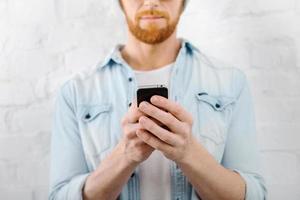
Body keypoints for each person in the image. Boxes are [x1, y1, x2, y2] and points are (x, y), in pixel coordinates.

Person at [48, 0, 267, 199]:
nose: (152, 2)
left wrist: (189, 153)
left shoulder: (230, 82)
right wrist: (126, 155)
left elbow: (254, 195)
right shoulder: (76, 91)